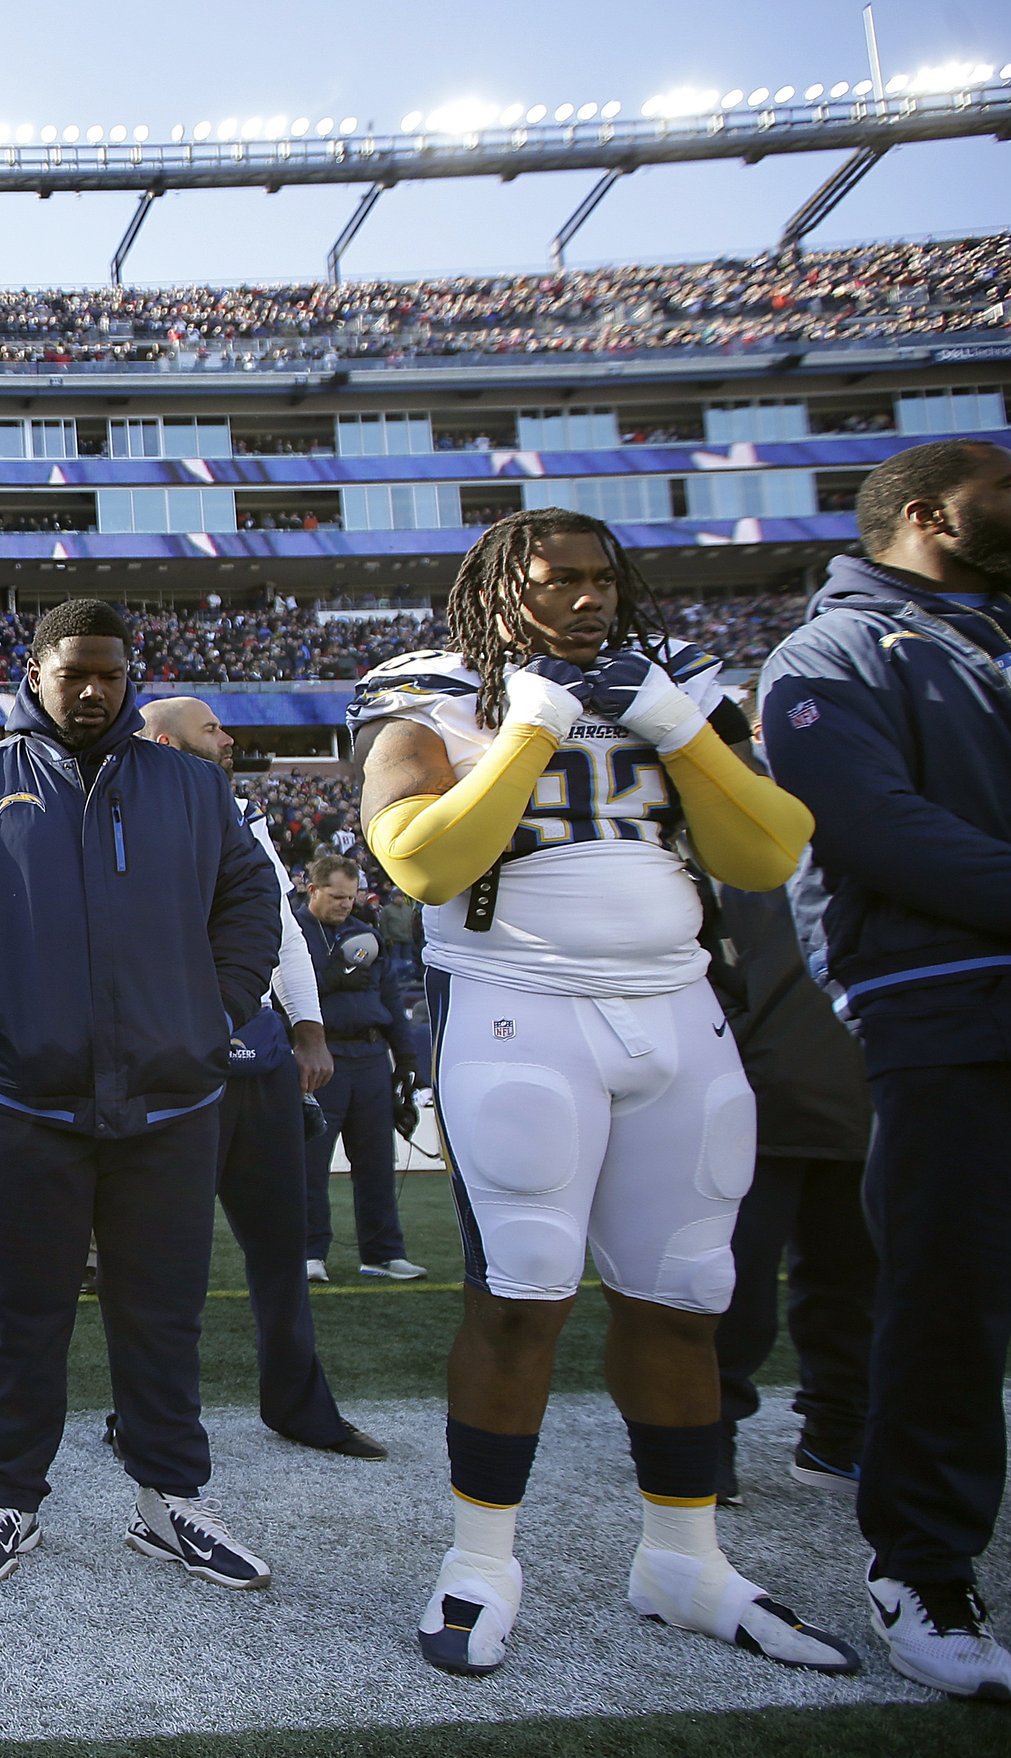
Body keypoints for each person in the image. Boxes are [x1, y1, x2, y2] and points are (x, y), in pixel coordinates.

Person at [353, 506, 855, 1683]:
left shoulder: (677, 681)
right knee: (524, 1293)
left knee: (687, 1292)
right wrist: (530, 728)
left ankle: (684, 1558)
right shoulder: (427, 691)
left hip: (677, 1008)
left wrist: (677, 725)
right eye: (557, 582)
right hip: (521, 1006)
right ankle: (481, 1561)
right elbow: (421, 861)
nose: (588, 600)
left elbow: (769, 851)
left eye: (601, 579)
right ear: (494, 590)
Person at [756, 439, 1011, 1701]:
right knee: (950, 1303)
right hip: (956, 1011)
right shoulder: (830, 654)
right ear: (927, 512)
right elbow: (873, 826)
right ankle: (924, 1565)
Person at [0, 602, 283, 1593]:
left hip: (169, 1100)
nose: (92, 690)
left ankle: (170, 1499)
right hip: (26, 1098)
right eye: (73, 672)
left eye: (109, 674)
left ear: (129, 676)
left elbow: (251, 900)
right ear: (34, 670)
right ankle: (7, 1497)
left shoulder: (194, 788)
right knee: (21, 1314)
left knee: (163, 1313)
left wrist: (211, 1010)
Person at [137, 698, 381, 1458]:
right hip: (174, 1063)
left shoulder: (241, 814)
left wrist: (307, 1025)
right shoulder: (122, 806)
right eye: (213, 729)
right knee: (162, 1259)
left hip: (259, 1058)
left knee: (282, 1246)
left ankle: (299, 1404)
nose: (229, 738)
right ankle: (144, 1413)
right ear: (166, 740)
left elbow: (277, 924)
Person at [710, 882, 876, 1501]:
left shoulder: (865, 841)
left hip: (863, 1095)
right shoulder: (731, 851)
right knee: (732, 1287)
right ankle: (708, 1436)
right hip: (753, 1101)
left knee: (853, 1287)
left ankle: (836, 1432)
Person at [293, 854, 424, 1283]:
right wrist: (333, 975)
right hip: (320, 1057)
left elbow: (390, 1003)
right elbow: (280, 993)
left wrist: (406, 1062)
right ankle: (310, 1253)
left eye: (350, 897)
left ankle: (383, 1253)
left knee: (376, 1161)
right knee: (311, 1163)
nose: (345, 904)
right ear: (312, 890)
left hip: (369, 1058)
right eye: (336, 896)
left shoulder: (366, 934)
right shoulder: (290, 934)